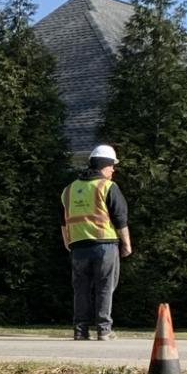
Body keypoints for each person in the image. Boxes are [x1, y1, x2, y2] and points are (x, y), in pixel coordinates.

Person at [61, 144, 132, 340]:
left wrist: (68, 242)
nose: (113, 170)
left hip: (78, 247)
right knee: (105, 286)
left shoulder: (69, 190)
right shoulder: (108, 187)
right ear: (105, 165)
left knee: (81, 289)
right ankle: (104, 329)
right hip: (105, 244)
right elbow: (120, 218)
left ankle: (80, 330)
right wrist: (127, 244)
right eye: (112, 166)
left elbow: (63, 220)